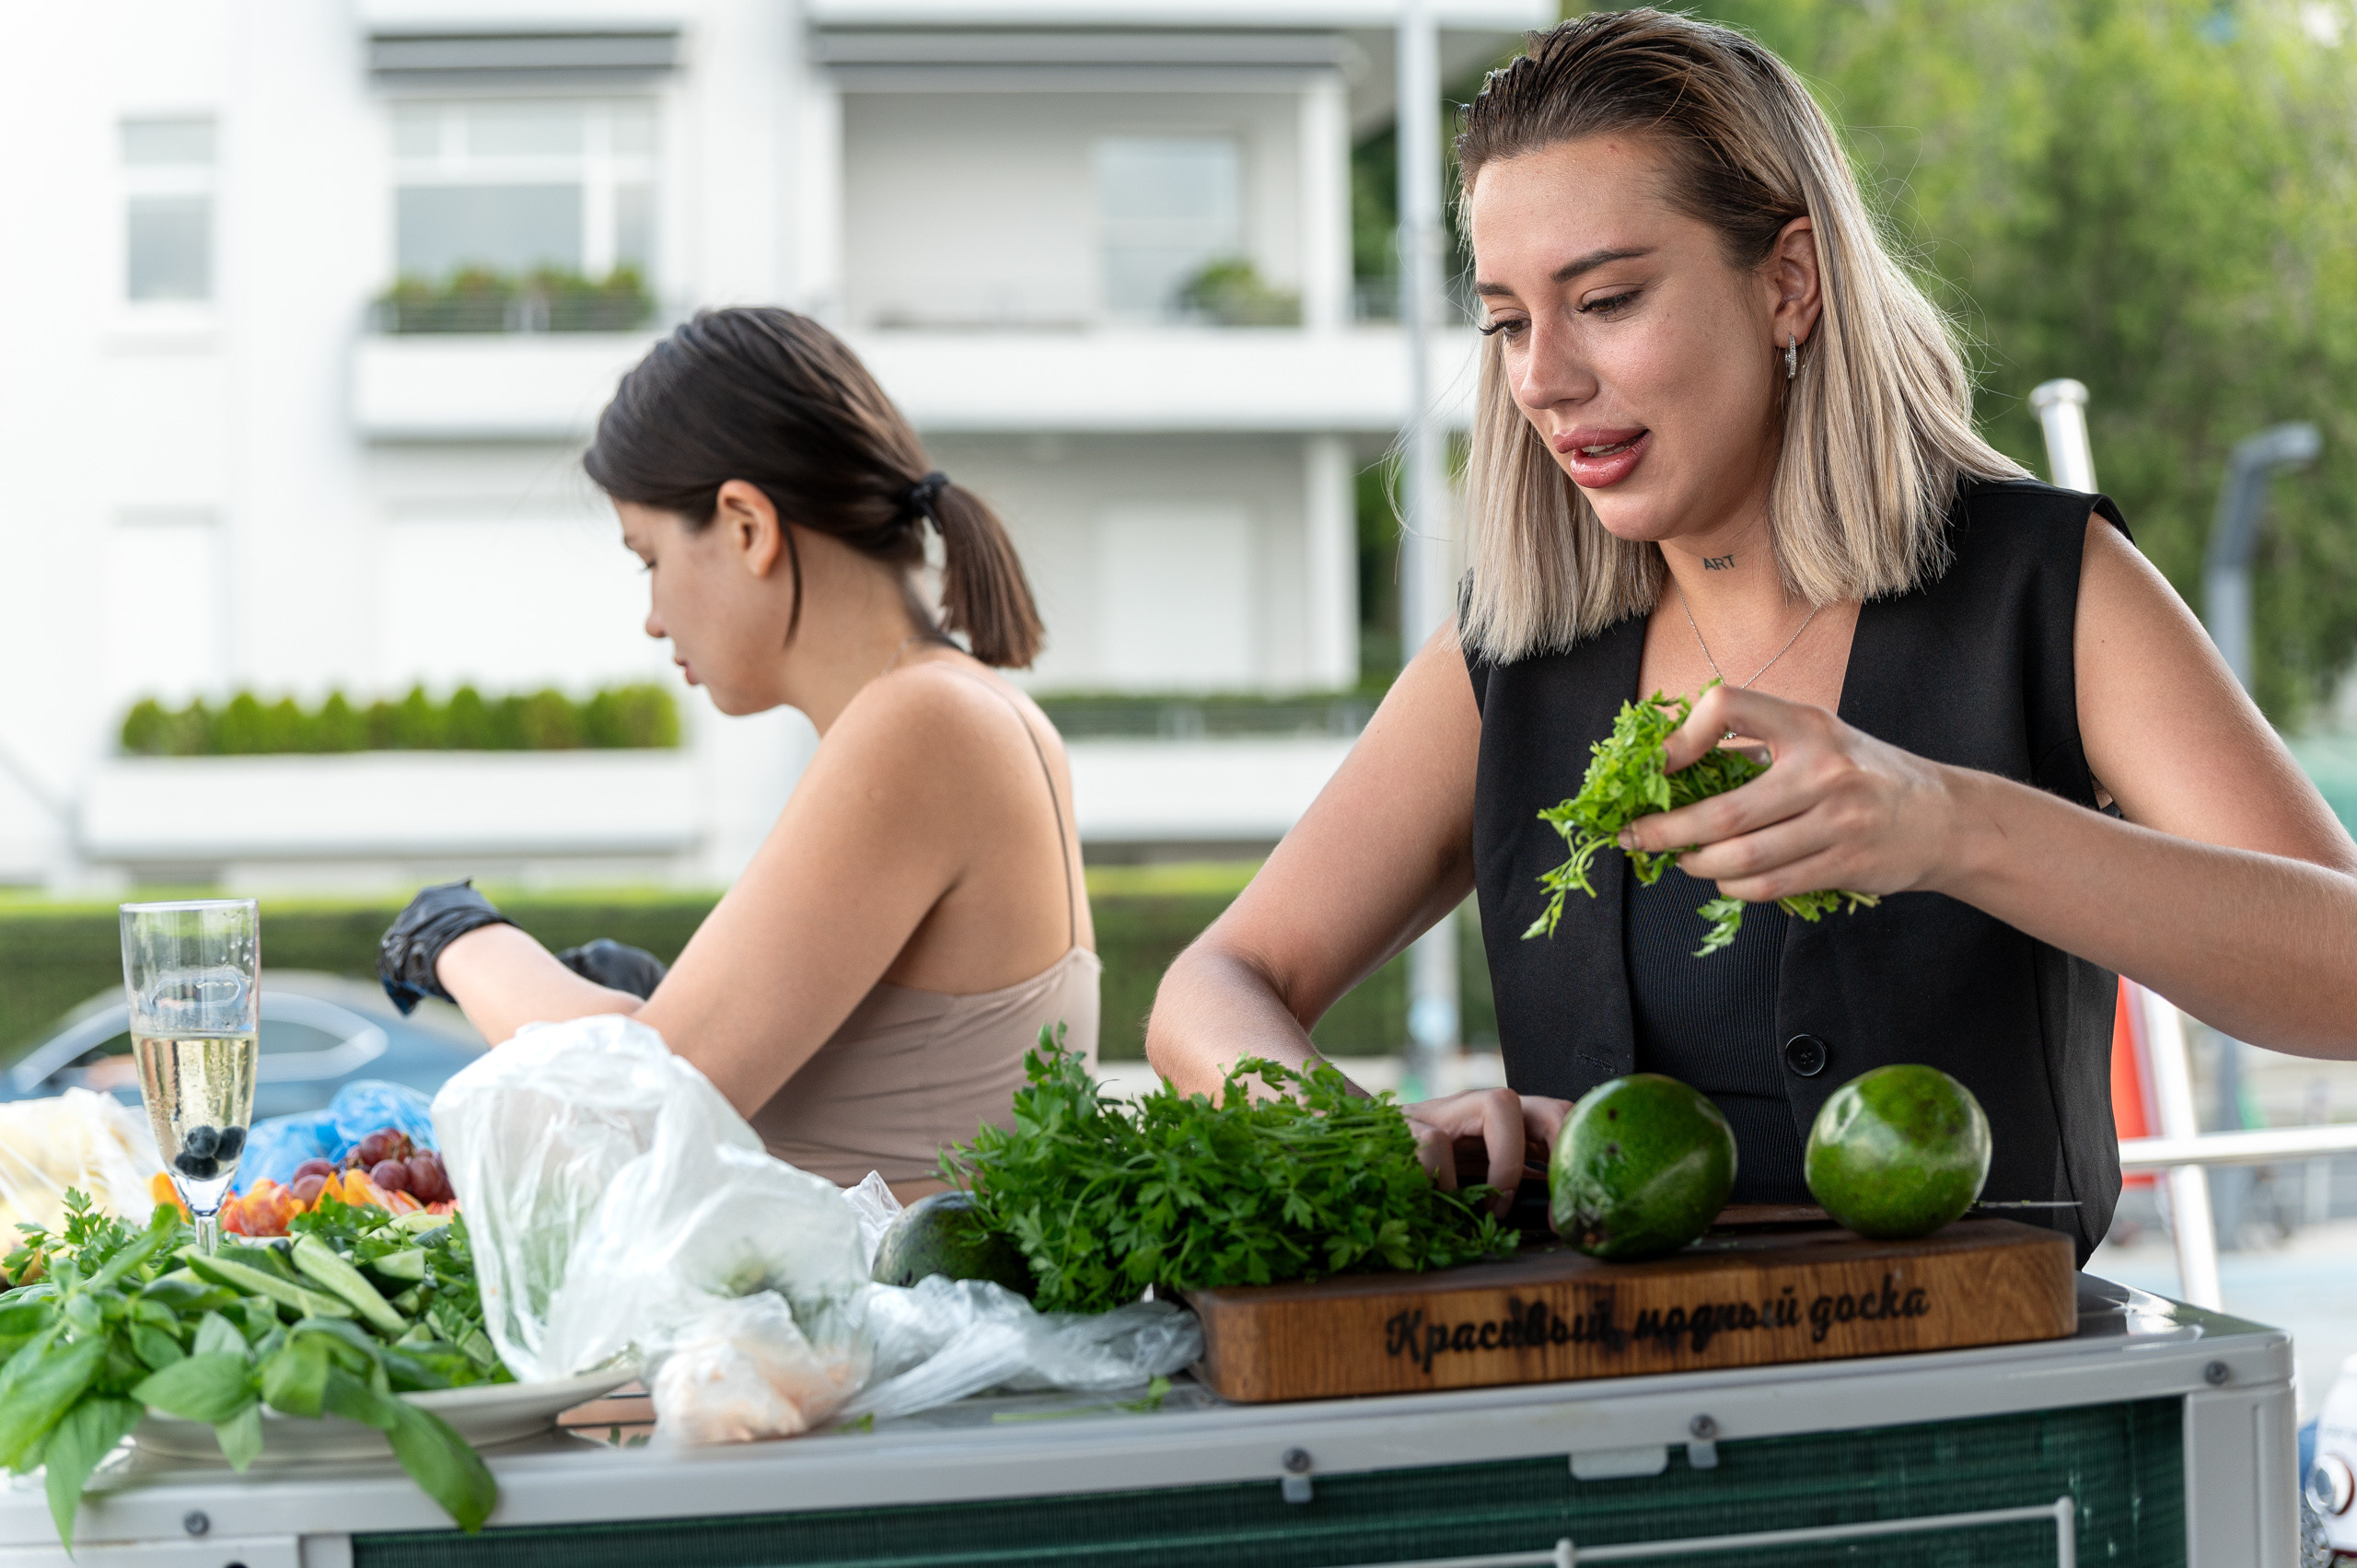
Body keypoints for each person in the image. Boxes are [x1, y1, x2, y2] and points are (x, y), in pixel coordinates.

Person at [1145, 9, 2357, 1261]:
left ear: (1787, 281)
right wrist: (1348, 1134)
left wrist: (1954, 824)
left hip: (1994, 1407)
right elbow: (1214, 984)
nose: (1542, 378)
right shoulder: (1510, 660)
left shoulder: (2045, 588)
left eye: (1606, 299)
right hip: (1595, 1421)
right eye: (1508, 320)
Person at [377, 308, 1097, 1202]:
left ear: (746, 525)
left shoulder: (922, 726)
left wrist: (457, 935)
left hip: (880, 1340)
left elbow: (638, 1112)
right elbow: (700, 1070)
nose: (651, 614)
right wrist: (647, 1004)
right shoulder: (956, 709)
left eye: (649, 558)